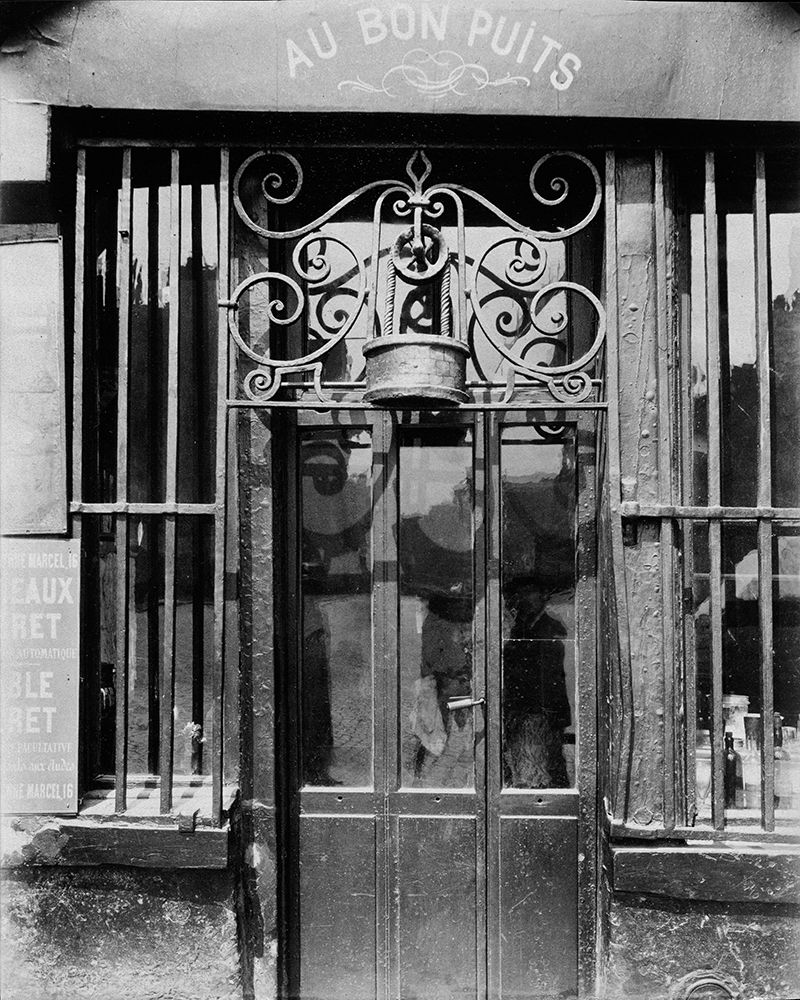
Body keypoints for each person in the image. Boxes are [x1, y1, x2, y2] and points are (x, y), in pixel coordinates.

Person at [502, 582, 571, 788]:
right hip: (525, 706)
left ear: (543, 596)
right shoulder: (521, 626)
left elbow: (544, 669)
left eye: (529, 593)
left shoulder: (550, 628)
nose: (524, 599)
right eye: (522, 594)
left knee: (543, 759)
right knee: (531, 758)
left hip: (540, 707)